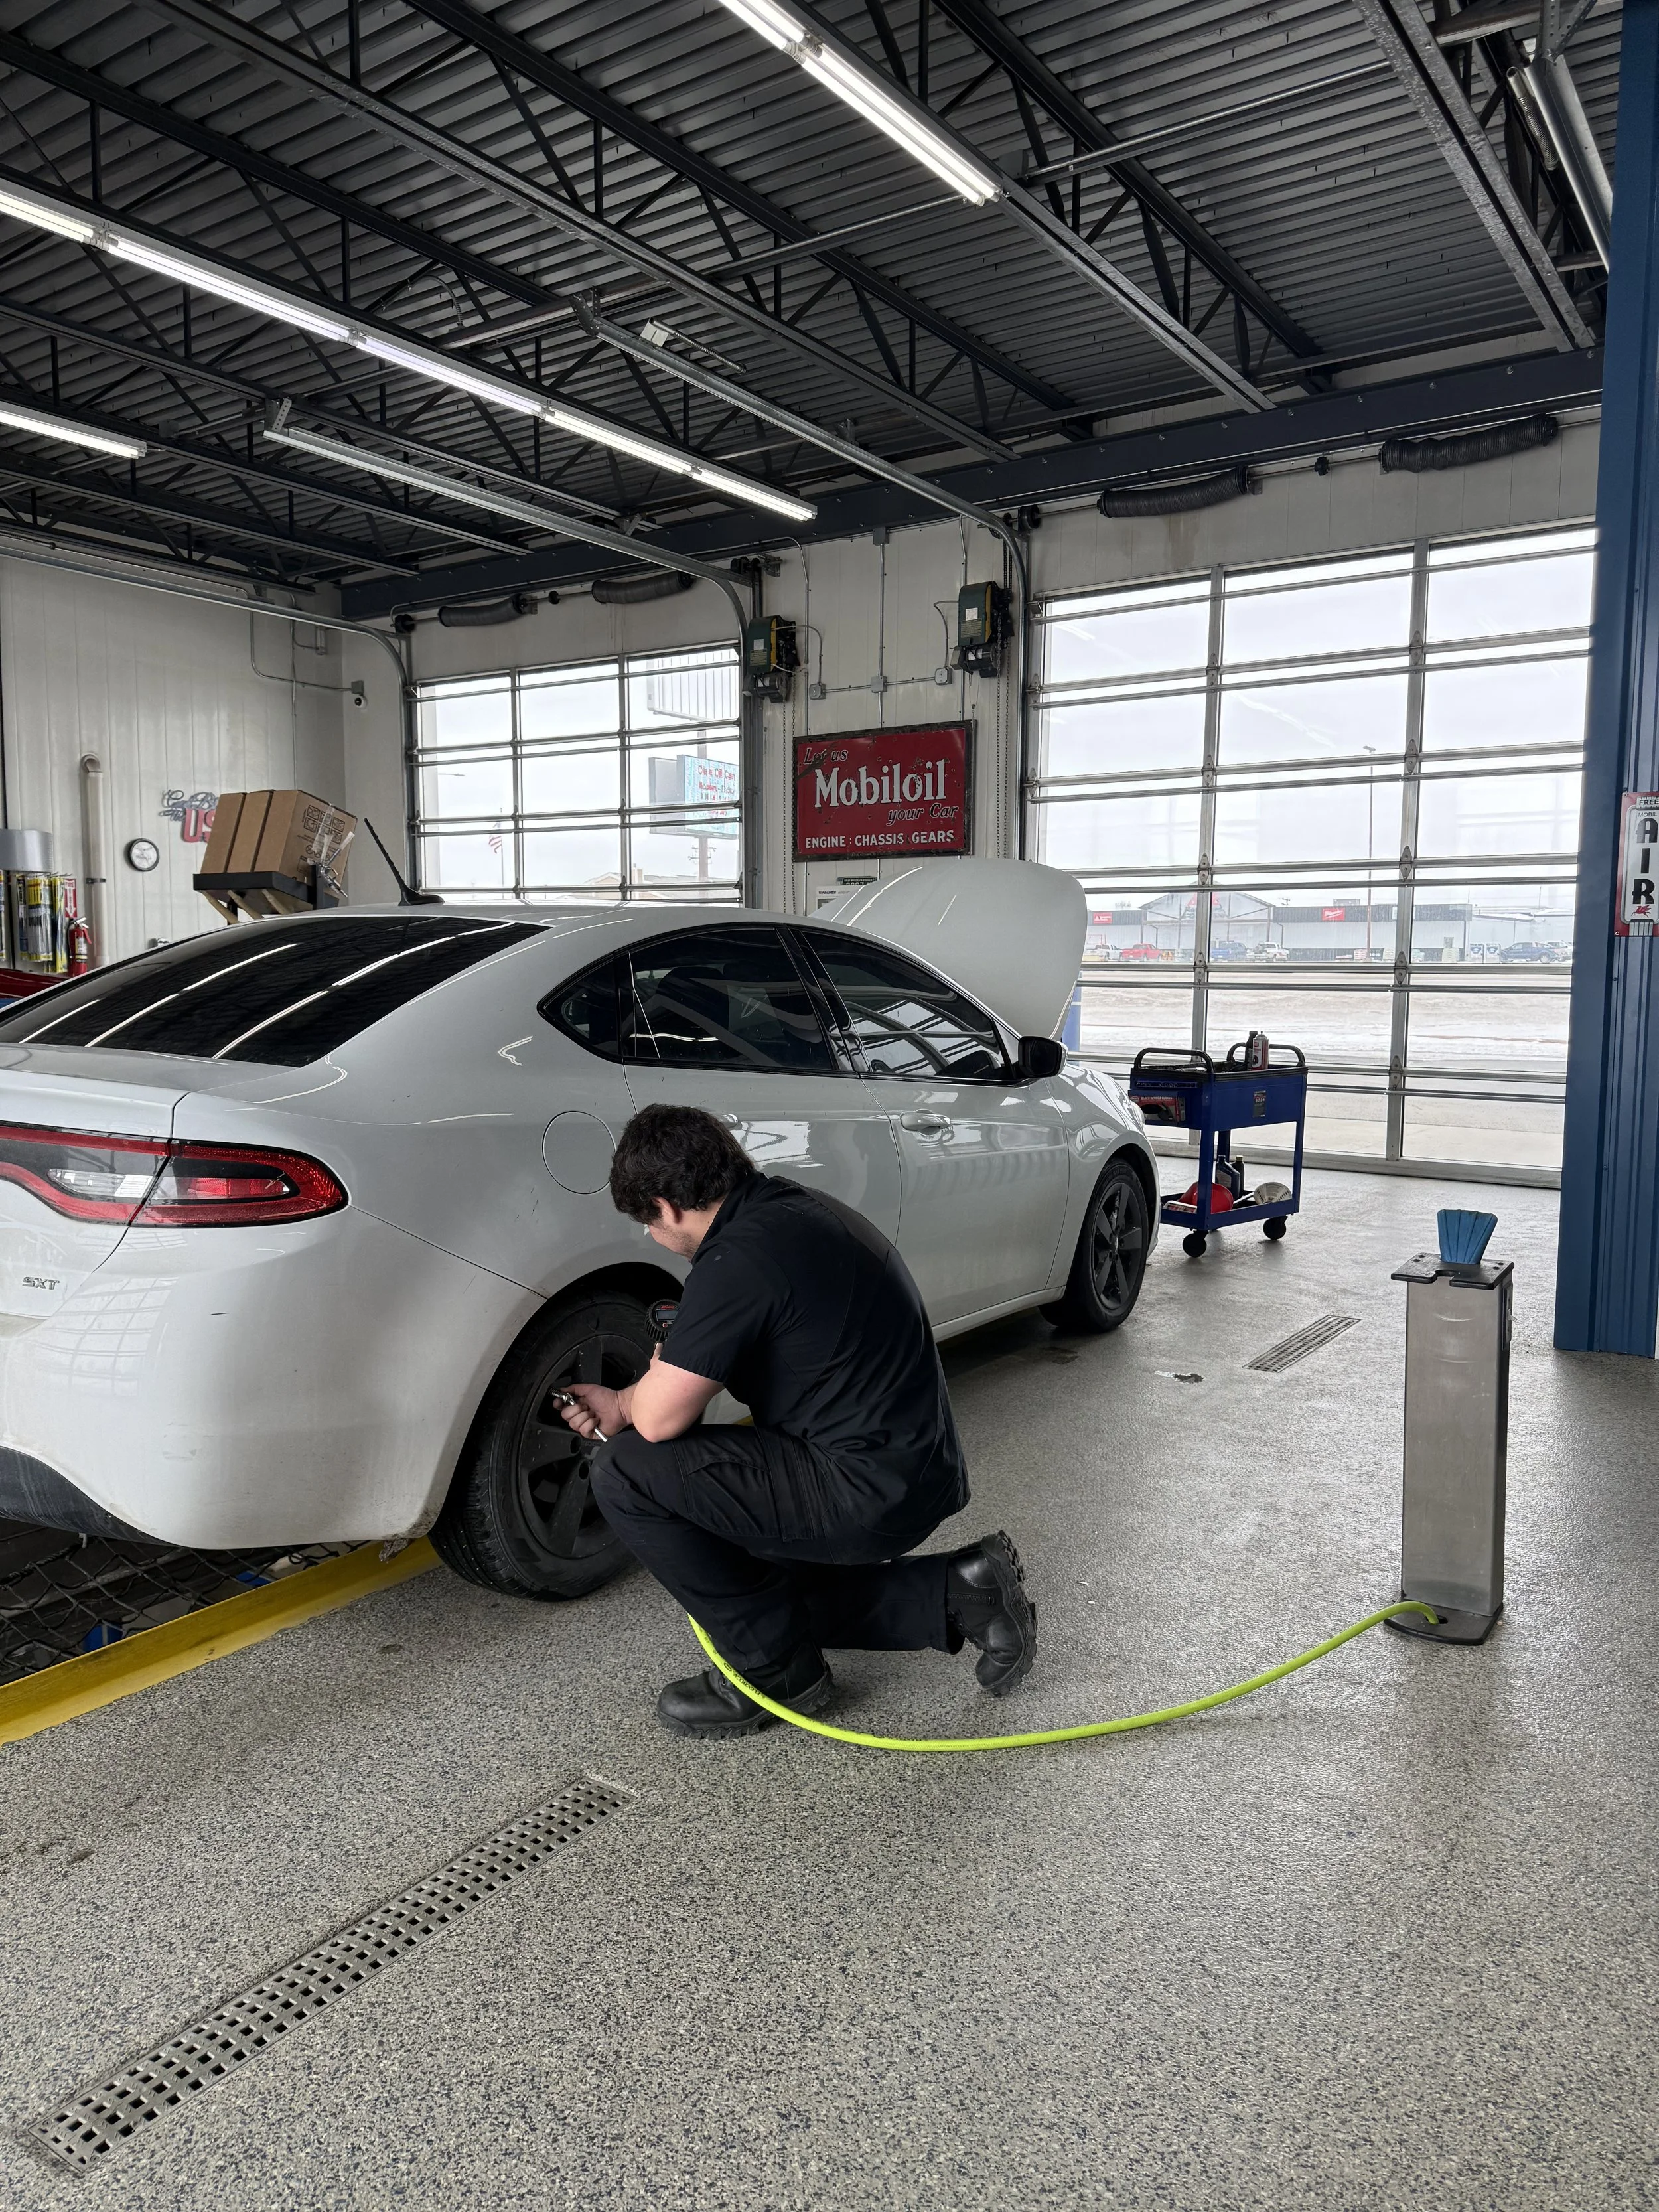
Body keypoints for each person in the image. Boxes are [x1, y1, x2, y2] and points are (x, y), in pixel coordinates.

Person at [558, 1103, 1037, 1740]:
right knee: (756, 1584)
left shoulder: (738, 1261)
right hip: (913, 1469)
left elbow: (660, 1424)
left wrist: (630, 1406)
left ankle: (775, 1672)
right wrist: (635, 1394)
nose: (652, 1235)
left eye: (647, 1221)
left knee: (624, 1472)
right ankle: (963, 1591)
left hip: (861, 1489)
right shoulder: (796, 1210)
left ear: (666, 1206)